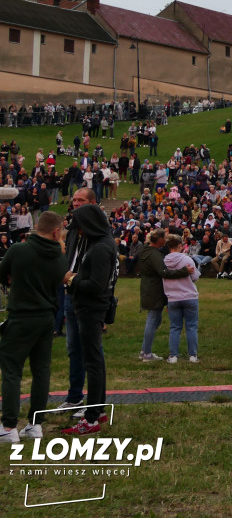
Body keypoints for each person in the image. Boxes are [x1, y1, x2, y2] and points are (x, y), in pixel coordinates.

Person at [0, 211, 67, 443]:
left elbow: (2, 273)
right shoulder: (60, 258)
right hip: (46, 317)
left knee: (11, 370)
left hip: (21, 316)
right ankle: (35, 425)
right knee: (41, 371)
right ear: (56, 231)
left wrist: (13, 277)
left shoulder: (19, 250)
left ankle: (8, 426)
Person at [61, 201, 117, 435]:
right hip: (88, 307)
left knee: (92, 362)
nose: (79, 231)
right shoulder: (98, 244)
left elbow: (96, 285)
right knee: (95, 361)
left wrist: (71, 280)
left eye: (81, 226)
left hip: (90, 308)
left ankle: (91, 418)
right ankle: (99, 409)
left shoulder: (102, 247)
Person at [53, 188, 95, 416]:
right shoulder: (71, 232)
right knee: (73, 349)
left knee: (90, 351)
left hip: (89, 296)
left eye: (81, 200)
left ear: (92, 203)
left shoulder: (97, 232)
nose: (76, 203)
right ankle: (75, 397)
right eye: (75, 200)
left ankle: (94, 400)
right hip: (70, 293)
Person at [137, 228, 193, 361]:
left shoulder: (146, 250)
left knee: (155, 319)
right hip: (154, 290)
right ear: (160, 240)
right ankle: (146, 353)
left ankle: (145, 350)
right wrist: (184, 271)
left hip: (147, 288)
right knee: (153, 320)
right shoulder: (154, 255)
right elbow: (164, 272)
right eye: (165, 238)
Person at [162, 234, 201, 364]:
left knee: (175, 327)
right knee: (191, 327)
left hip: (173, 297)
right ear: (179, 246)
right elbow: (195, 277)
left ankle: (173, 356)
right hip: (189, 295)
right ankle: (193, 355)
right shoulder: (187, 260)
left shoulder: (164, 261)